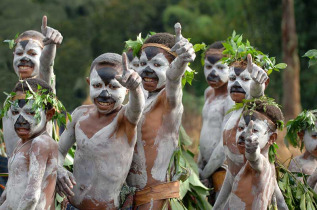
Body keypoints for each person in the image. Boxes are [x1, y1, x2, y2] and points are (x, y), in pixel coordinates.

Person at [57, 53, 144, 209]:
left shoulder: (125, 119)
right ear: (89, 83)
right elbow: (59, 150)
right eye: (97, 86)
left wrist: (136, 89)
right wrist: (58, 169)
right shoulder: (79, 115)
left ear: (125, 90)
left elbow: (137, 108)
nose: (104, 94)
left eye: (113, 87)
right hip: (72, 206)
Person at [127, 23, 196, 209]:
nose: (147, 70)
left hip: (156, 197)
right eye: (142, 64)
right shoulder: (137, 99)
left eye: (157, 64)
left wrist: (182, 60)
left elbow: (173, 78)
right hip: (129, 196)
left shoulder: (169, 102)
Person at [0, 78, 58, 209]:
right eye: (15, 112)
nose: (20, 120)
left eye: (30, 112)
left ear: (49, 114)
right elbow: (11, 188)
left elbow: (31, 197)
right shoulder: (21, 143)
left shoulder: (41, 143)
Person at [197, 41, 234, 202]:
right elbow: (205, 130)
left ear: (231, 69)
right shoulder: (208, 93)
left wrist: (205, 173)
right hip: (206, 166)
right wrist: (198, 166)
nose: (213, 73)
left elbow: (224, 143)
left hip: (223, 167)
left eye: (220, 68)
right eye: (208, 67)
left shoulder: (231, 98)